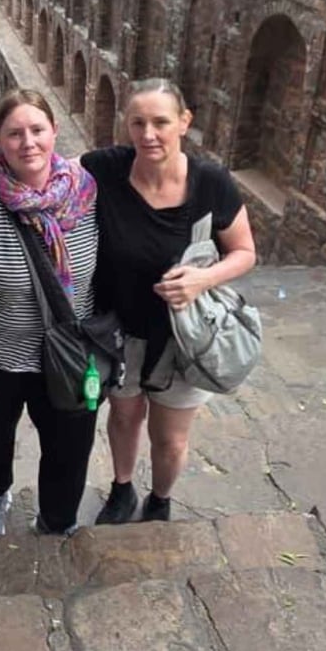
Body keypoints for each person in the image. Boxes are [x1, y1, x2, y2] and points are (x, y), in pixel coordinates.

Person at [83, 78, 257, 524]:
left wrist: (203, 279)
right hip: (120, 330)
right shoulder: (106, 169)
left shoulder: (211, 183)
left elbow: (244, 252)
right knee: (124, 417)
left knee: (170, 438)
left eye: (160, 122)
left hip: (183, 336)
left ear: (183, 122)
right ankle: (122, 489)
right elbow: (43, 169)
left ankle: (160, 499)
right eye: (137, 123)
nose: (148, 134)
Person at [0, 89, 101, 537]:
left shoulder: (85, 191)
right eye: (14, 133)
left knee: (70, 447)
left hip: (70, 354)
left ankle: (57, 520)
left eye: (37, 130)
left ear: (54, 132)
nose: (28, 142)